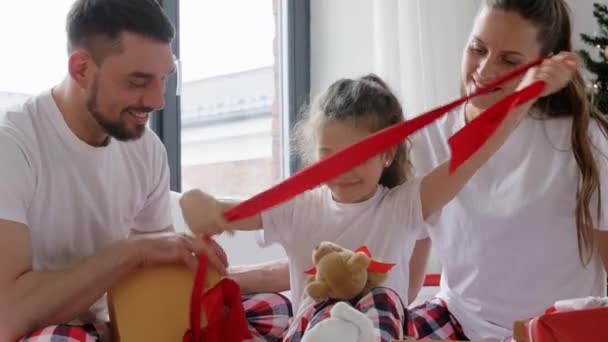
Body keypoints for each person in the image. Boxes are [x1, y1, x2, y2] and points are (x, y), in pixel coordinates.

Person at [180, 51, 576, 341]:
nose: (343, 169)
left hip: (381, 330)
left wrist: (526, 95)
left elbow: (472, 156)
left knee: (380, 300)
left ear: (387, 154)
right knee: (268, 309)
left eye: (359, 155)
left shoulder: (402, 206)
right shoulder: (299, 205)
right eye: (328, 157)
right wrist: (205, 207)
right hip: (310, 332)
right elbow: (228, 214)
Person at [0, 1, 230, 340]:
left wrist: (273, 275)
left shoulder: (147, 149)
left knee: (272, 310)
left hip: (109, 325)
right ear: (81, 69)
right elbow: (8, 315)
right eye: (138, 81)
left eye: (163, 79)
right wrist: (131, 251)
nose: (157, 101)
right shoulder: (13, 144)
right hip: (38, 334)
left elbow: (158, 274)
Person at [407, 0, 608, 340]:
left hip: (551, 331)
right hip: (456, 320)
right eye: (477, 49)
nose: (484, 72)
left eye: (510, 61)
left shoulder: (584, 141)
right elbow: (404, 282)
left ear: (545, 68)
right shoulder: (427, 138)